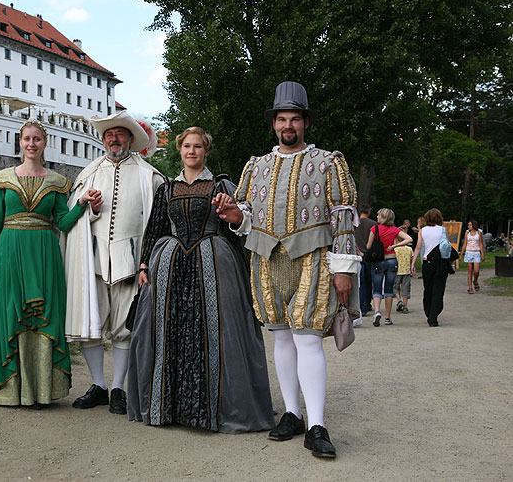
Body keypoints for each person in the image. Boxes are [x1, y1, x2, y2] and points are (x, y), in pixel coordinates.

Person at [215, 81, 360, 458]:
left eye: (294, 118)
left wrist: (344, 268)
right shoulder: (256, 166)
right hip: (266, 259)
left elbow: (343, 217)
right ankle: (292, 413)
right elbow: (246, 215)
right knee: (280, 337)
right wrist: (235, 217)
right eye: (282, 119)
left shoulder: (329, 163)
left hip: (312, 257)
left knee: (308, 337)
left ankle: (316, 424)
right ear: (274, 123)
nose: (288, 125)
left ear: (305, 123)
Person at [127, 127, 275, 433]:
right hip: (169, 269)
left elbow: (240, 226)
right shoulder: (166, 189)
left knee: (217, 332)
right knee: (168, 331)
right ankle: (171, 408)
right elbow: (154, 227)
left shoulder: (221, 185)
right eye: (186, 146)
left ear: (206, 151)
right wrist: (144, 264)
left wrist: (246, 271)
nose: (191, 151)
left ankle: (214, 410)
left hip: (213, 267)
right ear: (179, 150)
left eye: (197, 147)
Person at [0, 119, 100, 408]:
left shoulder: (57, 183)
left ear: (45, 144)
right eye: (26, 139)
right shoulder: (2, 178)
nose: (31, 144)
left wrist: (81, 203)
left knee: (43, 315)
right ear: (19, 142)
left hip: (44, 255)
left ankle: (42, 390)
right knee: (11, 315)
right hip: (9, 254)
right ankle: (10, 389)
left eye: (37, 139)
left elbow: (64, 223)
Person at [62, 111, 165, 415]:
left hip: (131, 263)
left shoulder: (150, 176)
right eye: (109, 135)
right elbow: (72, 216)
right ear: (103, 139)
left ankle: (118, 387)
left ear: (131, 140)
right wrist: (90, 209)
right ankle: (98, 385)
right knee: (90, 325)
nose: (114, 139)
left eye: (120, 134)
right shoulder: (88, 174)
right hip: (92, 259)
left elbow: (158, 221)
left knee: (124, 328)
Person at [365, 208, 412, 326]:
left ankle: (376, 312)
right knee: (389, 289)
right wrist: (394, 245)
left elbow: (368, 246)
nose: (377, 217)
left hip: (378, 261)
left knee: (376, 288)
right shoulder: (394, 230)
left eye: (379, 216)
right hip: (392, 260)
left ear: (384, 217)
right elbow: (409, 239)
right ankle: (387, 317)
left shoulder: (374, 229)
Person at [411, 208, 449, 327]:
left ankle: (429, 313)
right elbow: (446, 246)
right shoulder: (443, 230)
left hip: (427, 263)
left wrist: (413, 263)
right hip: (440, 262)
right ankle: (434, 315)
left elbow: (418, 247)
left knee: (428, 289)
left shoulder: (422, 231)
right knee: (438, 290)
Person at [354, 203, 377, 325]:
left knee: (359, 282)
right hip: (368, 254)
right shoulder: (372, 224)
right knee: (368, 281)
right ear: (368, 211)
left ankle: (360, 305)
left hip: (356, 254)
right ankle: (366, 304)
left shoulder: (354, 224)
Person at [460, 219, 485, 294]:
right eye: (468, 225)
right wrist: (461, 254)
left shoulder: (479, 232)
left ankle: (475, 280)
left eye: (470, 225)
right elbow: (465, 243)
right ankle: (470, 287)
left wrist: (482, 254)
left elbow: (480, 244)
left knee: (476, 270)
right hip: (469, 252)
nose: (469, 226)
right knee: (470, 270)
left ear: (474, 225)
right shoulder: (467, 232)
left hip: (476, 252)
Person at [392, 240, 413, 314]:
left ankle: (399, 300)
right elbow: (411, 259)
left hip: (397, 271)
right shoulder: (409, 249)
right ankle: (405, 305)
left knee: (395, 287)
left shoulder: (395, 249)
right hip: (406, 271)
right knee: (405, 288)